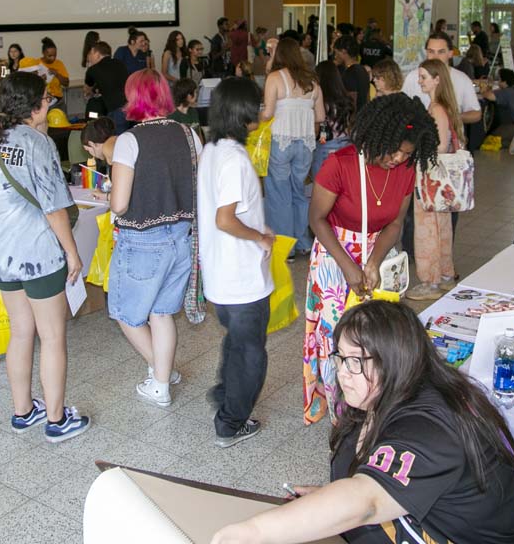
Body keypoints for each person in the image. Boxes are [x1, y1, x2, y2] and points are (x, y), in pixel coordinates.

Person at [215, 301, 514, 544]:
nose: (341, 372)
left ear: (394, 361)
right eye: (340, 357)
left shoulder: (431, 425)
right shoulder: (375, 399)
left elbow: (365, 502)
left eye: (355, 361)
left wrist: (250, 533)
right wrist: (329, 501)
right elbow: (367, 490)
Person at [303, 94, 437, 424]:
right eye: (394, 149)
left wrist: (374, 262)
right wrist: (349, 266)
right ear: (379, 136)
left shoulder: (405, 169)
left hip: (378, 253)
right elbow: (317, 219)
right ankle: (342, 417)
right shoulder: (341, 163)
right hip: (336, 256)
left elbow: (395, 223)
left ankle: (373, 407)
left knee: (377, 339)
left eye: (407, 153)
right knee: (341, 339)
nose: (398, 158)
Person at [0, 71, 90, 442]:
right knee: (53, 336)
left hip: (1, 252)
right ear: (34, 105)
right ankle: (57, 420)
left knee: (20, 331)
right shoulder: (38, 144)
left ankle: (23, 410)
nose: (49, 105)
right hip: (37, 253)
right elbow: (55, 207)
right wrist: (72, 253)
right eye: (46, 99)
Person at [107, 69, 203, 408]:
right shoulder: (190, 134)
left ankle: (162, 375)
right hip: (182, 236)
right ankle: (162, 378)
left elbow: (119, 202)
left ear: (135, 99)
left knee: (125, 312)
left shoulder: (129, 141)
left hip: (142, 240)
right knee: (162, 313)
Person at [197, 78, 274, 448]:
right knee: (250, 353)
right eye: (255, 105)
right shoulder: (235, 159)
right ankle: (231, 422)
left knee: (236, 340)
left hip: (220, 273)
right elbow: (225, 219)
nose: (260, 110)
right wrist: (260, 237)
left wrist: (259, 225)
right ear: (240, 111)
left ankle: (225, 391)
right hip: (241, 276)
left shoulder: (212, 150)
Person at [407, 59, 466, 301]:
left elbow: (440, 145)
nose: (420, 81)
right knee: (441, 228)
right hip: (440, 182)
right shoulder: (442, 106)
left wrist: (418, 148)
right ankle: (444, 276)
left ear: (436, 79)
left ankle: (430, 280)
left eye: (423, 77)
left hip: (431, 178)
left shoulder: (437, 109)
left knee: (427, 230)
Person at [262, 39, 324, 256]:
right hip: (306, 143)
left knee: (279, 195)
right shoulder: (312, 81)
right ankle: (304, 243)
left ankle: (284, 248)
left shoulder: (275, 78)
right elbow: (321, 116)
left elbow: (268, 113)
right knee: (299, 193)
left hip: (281, 141)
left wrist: (256, 119)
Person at [401, 32, 483, 125]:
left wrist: (450, 117)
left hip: (451, 138)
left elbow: (476, 114)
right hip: (419, 137)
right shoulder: (412, 77)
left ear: (450, 54)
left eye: (441, 52)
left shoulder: (462, 79)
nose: (435, 57)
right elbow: (401, 109)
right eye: (431, 51)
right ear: (426, 52)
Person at [312, 61, 354, 181]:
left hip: (325, 146)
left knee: (322, 187)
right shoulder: (346, 99)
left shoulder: (320, 101)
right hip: (346, 145)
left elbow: (317, 128)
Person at [84, 41, 130, 127]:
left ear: (96, 53)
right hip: (129, 106)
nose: (89, 57)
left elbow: (87, 90)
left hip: (114, 111)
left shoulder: (93, 70)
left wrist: (92, 91)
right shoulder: (120, 63)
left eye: (90, 53)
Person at [482, 68, 514, 146]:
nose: (498, 82)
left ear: (504, 81)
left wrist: (484, 89)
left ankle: (511, 142)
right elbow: (498, 91)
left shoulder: (506, 93)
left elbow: (488, 96)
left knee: (490, 137)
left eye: (499, 79)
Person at [19, 36, 70, 102]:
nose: (53, 58)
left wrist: (57, 74)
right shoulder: (36, 63)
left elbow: (66, 83)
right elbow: (29, 84)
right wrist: (40, 80)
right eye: (49, 56)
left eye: (55, 55)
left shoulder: (59, 63)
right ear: (43, 53)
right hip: (41, 99)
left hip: (57, 98)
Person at [334, 37, 371, 110]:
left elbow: (351, 102)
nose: (335, 56)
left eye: (336, 53)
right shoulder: (362, 70)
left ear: (343, 52)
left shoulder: (351, 72)